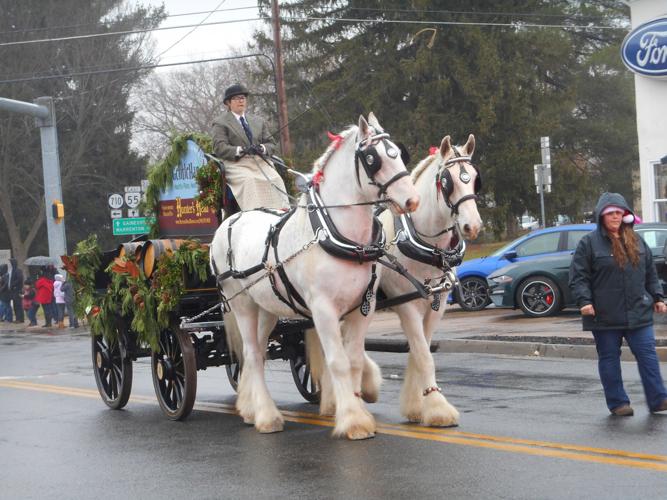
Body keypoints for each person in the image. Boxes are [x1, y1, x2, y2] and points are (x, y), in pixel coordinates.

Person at [569, 192, 667, 416]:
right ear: (601, 217)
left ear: (625, 215)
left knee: (648, 355)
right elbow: (579, 278)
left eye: (618, 213)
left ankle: (659, 399)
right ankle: (618, 403)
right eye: (610, 213)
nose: (615, 217)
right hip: (604, 314)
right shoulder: (589, 244)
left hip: (638, 312)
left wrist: (658, 297)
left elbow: (650, 273)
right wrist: (585, 302)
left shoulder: (637, 240)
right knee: (610, 358)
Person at [211, 83, 289, 212]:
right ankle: (254, 213)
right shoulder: (220, 122)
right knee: (250, 180)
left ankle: (282, 212)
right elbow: (219, 147)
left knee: (276, 179)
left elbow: (271, 143)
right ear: (228, 103)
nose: (241, 100)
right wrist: (240, 150)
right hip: (236, 164)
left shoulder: (258, 121)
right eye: (236, 98)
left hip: (259, 161)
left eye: (243, 97)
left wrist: (262, 148)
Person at [8, 258, 24, 323]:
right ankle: (18, 318)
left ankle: (20, 319)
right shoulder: (13, 270)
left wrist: (13, 284)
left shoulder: (18, 271)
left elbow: (19, 279)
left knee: (18, 305)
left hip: (17, 290)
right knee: (15, 305)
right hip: (13, 291)